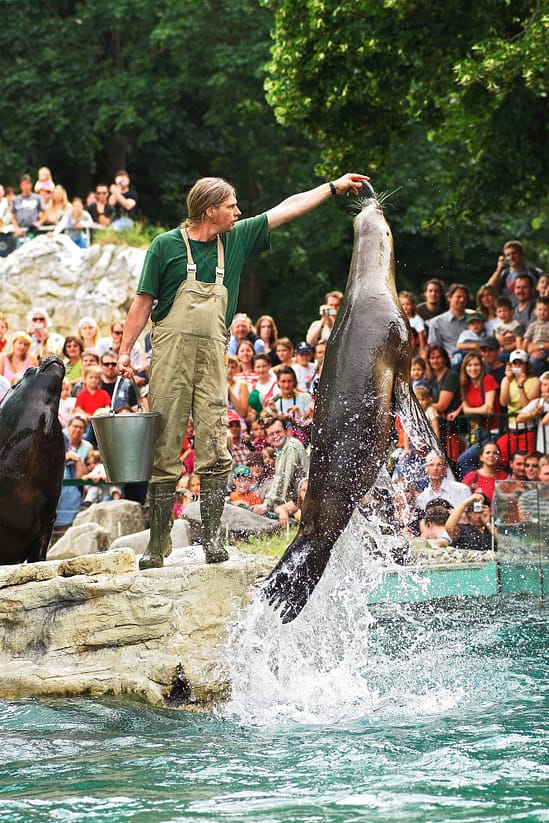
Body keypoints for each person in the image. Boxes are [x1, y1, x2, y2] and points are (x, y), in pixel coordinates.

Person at [117, 172, 367, 567]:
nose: (238, 211)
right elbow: (143, 302)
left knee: (215, 444)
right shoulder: (164, 247)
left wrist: (332, 187)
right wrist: (124, 352)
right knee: (164, 447)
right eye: (231, 205)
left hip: (213, 357)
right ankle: (158, 542)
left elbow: (286, 208)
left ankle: (213, 539)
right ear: (209, 210)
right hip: (169, 357)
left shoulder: (233, 239)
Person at [447, 352, 502, 478]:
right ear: (465, 368)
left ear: (481, 366)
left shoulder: (488, 380)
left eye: (476, 364)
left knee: (463, 460)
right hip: (480, 432)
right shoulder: (466, 385)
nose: (473, 368)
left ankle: (474, 487)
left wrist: (468, 410)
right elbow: (467, 405)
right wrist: (460, 410)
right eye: (469, 365)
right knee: (467, 461)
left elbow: (489, 409)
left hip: (493, 432)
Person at [252, 417, 309, 526]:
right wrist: (267, 503)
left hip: (304, 498)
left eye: (278, 432)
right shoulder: (280, 450)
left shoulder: (291, 446)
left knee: (277, 509)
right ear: (267, 438)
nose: (275, 436)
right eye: (271, 434)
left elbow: (284, 479)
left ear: (286, 431)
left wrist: (267, 505)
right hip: (296, 498)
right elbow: (278, 480)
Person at [497, 350, 540, 464]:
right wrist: (507, 380)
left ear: (526, 365)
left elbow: (527, 406)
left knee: (526, 463)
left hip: (527, 429)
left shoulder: (535, 381)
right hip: (511, 430)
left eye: (520, 363)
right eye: (514, 364)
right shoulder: (506, 380)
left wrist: (520, 385)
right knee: (498, 458)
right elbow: (503, 402)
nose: (517, 366)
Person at [427, 283, 469, 358]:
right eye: (458, 297)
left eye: (464, 298)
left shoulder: (473, 321)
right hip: (450, 362)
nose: (462, 300)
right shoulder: (437, 323)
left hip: (472, 363)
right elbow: (434, 348)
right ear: (449, 297)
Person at [516, 370, 549, 454]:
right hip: (543, 447)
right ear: (541, 387)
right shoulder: (538, 402)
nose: (547, 388)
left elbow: (545, 421)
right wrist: (533, 414)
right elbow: (519, 418)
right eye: (545, 385)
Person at [11, 174, 44, 244]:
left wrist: (40, 222)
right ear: (20, 186)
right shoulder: (16, 199)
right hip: (20, 231)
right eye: (23, 185)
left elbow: (45, 212)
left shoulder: (37, 198)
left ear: (31, 185)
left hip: (33, 231)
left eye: (28, 184)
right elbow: (13, 216)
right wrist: (16, 228)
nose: (26, 187)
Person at [523, 297, 549, 376]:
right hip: (532, 350)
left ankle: (535, 380)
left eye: (545, 310)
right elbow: (525, 342)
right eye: (540, 309)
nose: (542, 312)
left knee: (534, 361)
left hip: (545, 350)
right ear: (535, 311)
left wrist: (537, 347)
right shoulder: (532, 326)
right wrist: (528, 352)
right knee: (520, 361)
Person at [399, 290, 428, 357]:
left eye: (408, 304)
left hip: (415, 347)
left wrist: (422, 348)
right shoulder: (399, 320)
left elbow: (421, 334)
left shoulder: (417, 319)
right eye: (403, 304)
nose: (405, 307)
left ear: (413, 305)